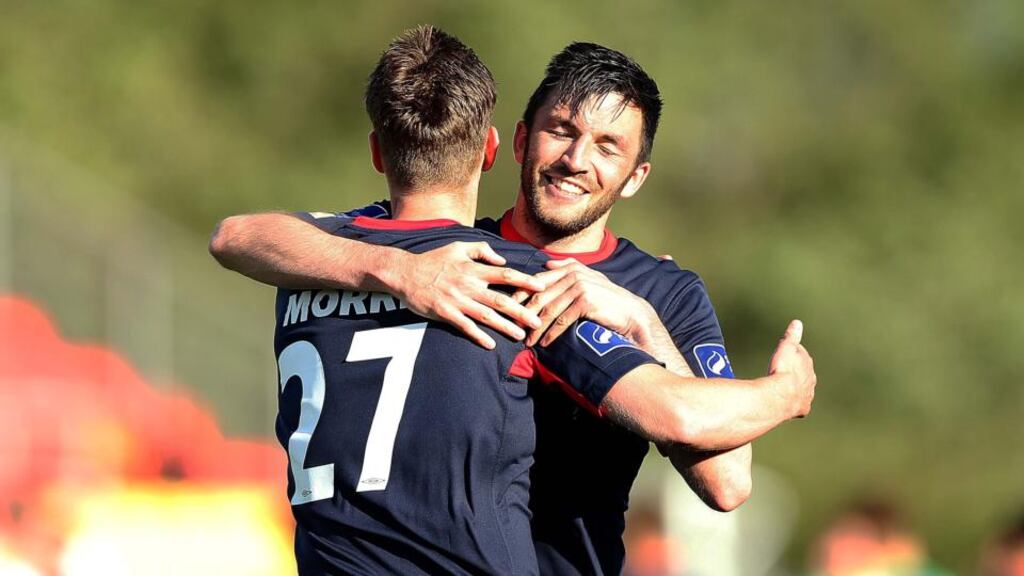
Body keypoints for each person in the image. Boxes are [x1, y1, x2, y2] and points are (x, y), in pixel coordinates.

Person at [211, 40, 818, 575]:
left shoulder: (664, 292)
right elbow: (238, 235)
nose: (577, 159)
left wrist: (644, 324)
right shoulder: (459, 258)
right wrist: (404, 272)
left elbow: (728, 482)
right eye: (562, 130)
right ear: (517, 141)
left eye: (608, 146)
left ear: (635, 176)